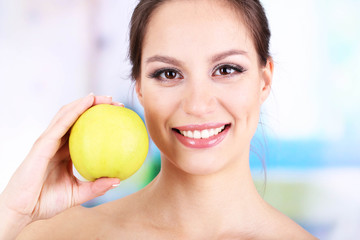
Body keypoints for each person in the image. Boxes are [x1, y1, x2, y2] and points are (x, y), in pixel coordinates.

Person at [0, 0, 318, 239]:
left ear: (264, 81)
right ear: (139, 88)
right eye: (168, 74)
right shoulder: (58, 234)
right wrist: (11, 215)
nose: (197, 105)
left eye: (226, 70)